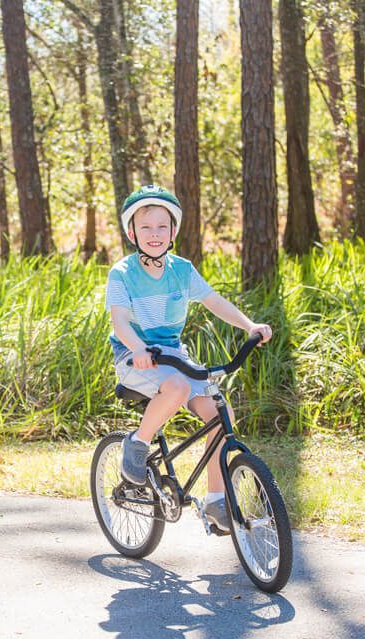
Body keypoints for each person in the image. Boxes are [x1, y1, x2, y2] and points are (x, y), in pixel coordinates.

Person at [105, 185, 272, 534]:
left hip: (173, 354)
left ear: (173, 231)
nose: (154, 234)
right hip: (134, 356)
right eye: (146, 227)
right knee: (178, 386)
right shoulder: (122, 273)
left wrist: (249, 325)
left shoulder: (181, 270)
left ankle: (215, 499)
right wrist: (137, 348)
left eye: (162, 227)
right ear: (132, 232)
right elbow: (119, 322)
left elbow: (213, 301)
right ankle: (137, 443)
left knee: (220, 414)